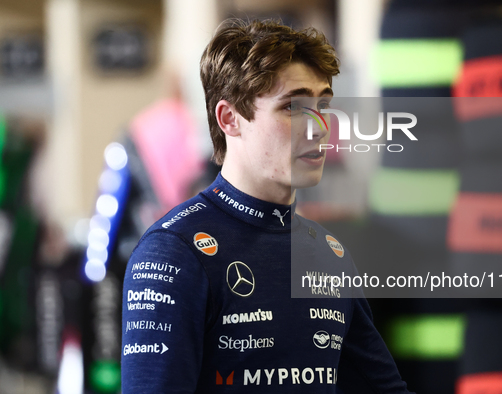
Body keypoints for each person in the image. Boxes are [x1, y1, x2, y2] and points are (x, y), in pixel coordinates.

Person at [121, 19, 412, 393]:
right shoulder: (173, 253)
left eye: (323, 104)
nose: (319, 126)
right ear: (230, 119)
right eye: (293, 106)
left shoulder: (329, 253)